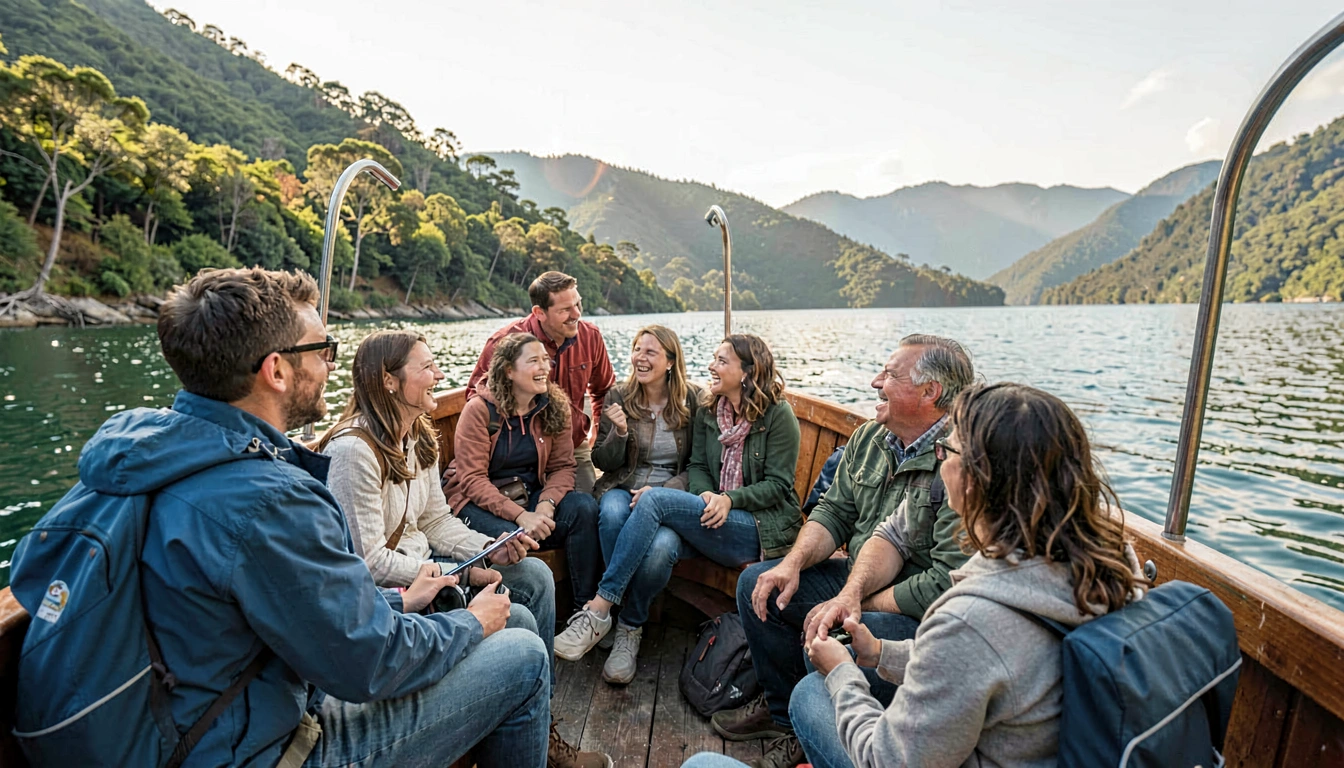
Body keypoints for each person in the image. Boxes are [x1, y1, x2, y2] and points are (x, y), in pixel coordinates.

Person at [44, 267, 550, 767]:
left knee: (512, 620)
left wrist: (398, 598)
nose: (331, 365)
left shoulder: (140, 460)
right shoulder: (269, 498)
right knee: (523, 653)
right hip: (265, 748)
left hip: (207, 720)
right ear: (277, 371)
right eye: (322, 351)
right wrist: (468, 623)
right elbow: (369, 662)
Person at [791, 382, 1146, 768]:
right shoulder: (1111, 562)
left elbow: (888, 759)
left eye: (947, 450)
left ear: (975, 479)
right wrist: (880, 653)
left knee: (810, 696)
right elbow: (988, 664)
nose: (940, 461)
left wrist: (843, 673)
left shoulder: (972, 618)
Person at [317, 330, 608, 767]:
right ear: (389, 381)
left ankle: (538, 725)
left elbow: (435, 520)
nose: (440, 375)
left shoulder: (417, 436)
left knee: (534, 574)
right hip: (398, 591)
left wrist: (489, 547)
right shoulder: (354, 453)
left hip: (428, 568)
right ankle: (524, 712)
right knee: (522, 617)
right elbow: (369, 563)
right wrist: (462, 572)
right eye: (427, 368)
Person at [713, 335, 974, 768]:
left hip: (917, 612)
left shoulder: (960, 462)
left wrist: (851, 604)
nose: (876, 382)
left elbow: (942, 586)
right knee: (757, 585)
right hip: (860, 576)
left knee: (834, 630)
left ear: (930, 393)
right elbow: (834, 511)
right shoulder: (872, 437)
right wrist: (793, 565)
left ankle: (821, 724)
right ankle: (784, 719)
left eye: (891, 375)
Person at [552, 334, 804, 666]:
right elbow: (698, 465)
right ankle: (630, 628)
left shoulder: (777, 415)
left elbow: (779, 486)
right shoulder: (712, 409)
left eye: (721, 361)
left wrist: (728, 499)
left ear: (747, 371)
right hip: (709, 516)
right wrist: (703, 497)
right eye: (713, 358)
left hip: (757, 527)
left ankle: (600, 608)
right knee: (658, 547)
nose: (712, 366)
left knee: (654, 501)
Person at [446, 332, 604, 615]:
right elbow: (472, 481)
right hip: (479, 505)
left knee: (583, 508)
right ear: (509, 370)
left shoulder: (553, 407)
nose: (545, 367)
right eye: (534, 361)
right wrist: (521, 517)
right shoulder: (480, 410)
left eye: (546, 360)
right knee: (511, 542)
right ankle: (503, 614)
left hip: (531, 499)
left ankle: (585, 612)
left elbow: (562, 467)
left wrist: (546, 504)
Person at [587, 325, 701, 684]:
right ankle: (612, 612)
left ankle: (628, 626)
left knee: (662, 547)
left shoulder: (692, 401)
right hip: (624, 485)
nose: (640, 357)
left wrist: (666, 489)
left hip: (670, 497)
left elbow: (699, 465)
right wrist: (619, 433)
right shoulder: (618, 396)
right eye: (638, 349)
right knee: (612, 513)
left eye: (651, 352)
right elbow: (603, 461)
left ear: (670, 361)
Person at [467, 270, 615, 495]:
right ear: (539, 312)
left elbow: (604, 391)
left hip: (571, 448)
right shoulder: (503, 343)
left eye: (578, 304)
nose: (576, 314)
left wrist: (599, 434)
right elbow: (474, 396)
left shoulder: (590, 336)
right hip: (515, 454)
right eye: (565, 310)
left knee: (590, 507)